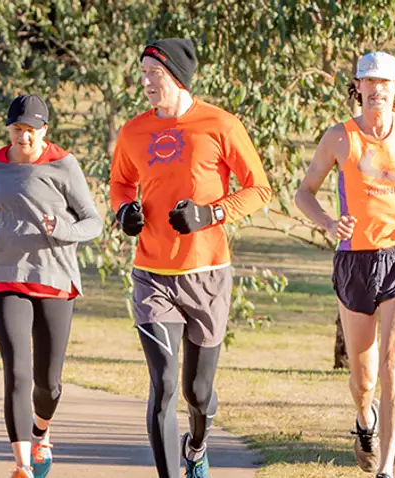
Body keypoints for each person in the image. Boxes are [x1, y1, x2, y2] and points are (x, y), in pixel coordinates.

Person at [109, 38, 274, 478]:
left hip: (207, 276)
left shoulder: (220, 125)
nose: (145, 81)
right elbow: (122, 184)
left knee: (198, 393)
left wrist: (210, 213)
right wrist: (124, 213)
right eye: (142, 72)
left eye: (153, 73)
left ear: (177, 77)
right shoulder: (133, 132)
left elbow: (259, 188)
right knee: (162, 385)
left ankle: (197, 447)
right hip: (152, 276)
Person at [291, 51, 395, 478]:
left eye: (385, 83)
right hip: (355, 260)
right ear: (358, 88)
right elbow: (304, 192)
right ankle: (365, 421)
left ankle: (386, 468)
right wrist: (329, 223)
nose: (377, 90)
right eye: (369, 82)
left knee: (393, 362)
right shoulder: (339, 138)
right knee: (363, 378)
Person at [0, 94, 104, 478]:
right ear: (8, 128)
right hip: (4, 273)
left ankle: (41, 431)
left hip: (54, 277)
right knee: (17, 372)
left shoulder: (63, 164)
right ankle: (22, 465)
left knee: (48, 384)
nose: (23, 138)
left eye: (30, 130)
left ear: (44, 130)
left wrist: (65, 231)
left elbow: (93, 221)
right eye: (16, 130)